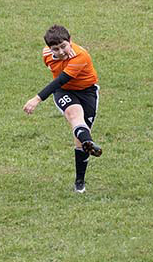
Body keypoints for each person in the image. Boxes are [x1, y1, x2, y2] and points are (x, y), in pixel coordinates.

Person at [23, 25, 103, 193]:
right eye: (55, 48)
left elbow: (60, 79)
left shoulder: (80, 56)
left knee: (79, 136)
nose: (60, 52)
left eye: (63, 46)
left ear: (70, 41)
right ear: (49, 48)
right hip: (64, 91)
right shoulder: (46, 54)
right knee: (74, 116)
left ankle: (79, 180)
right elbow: (60, 83)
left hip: (87, 93)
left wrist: (37, 99)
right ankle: (88, 144)